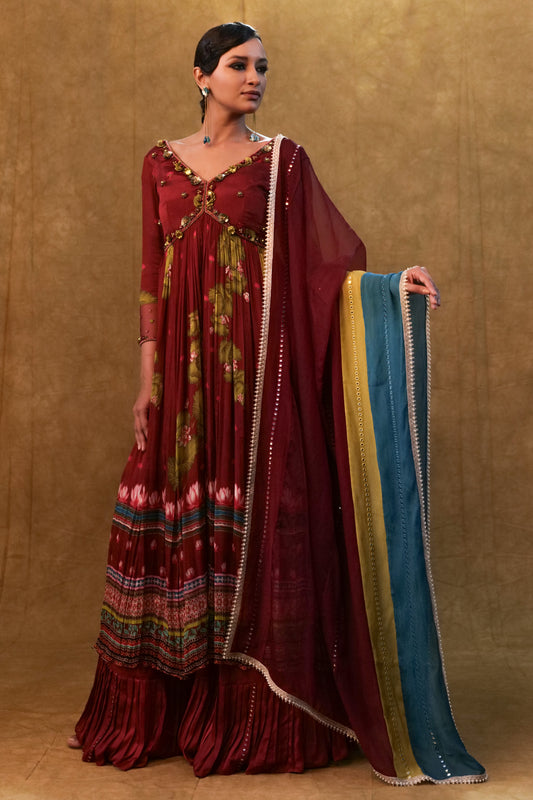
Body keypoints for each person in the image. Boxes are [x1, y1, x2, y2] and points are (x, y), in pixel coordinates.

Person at [69, 22, 486, 785]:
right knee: (174, 522)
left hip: (256, 388)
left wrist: (388, 288)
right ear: (201, 75)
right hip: (181, 388)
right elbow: (151, 280)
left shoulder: (281, 161)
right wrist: (146, 382)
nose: (254, 78)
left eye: (262, 67)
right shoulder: (159, 163)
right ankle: (168, 713)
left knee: (256, 523)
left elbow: (325, 269)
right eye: (238, 65)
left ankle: (254, 715)